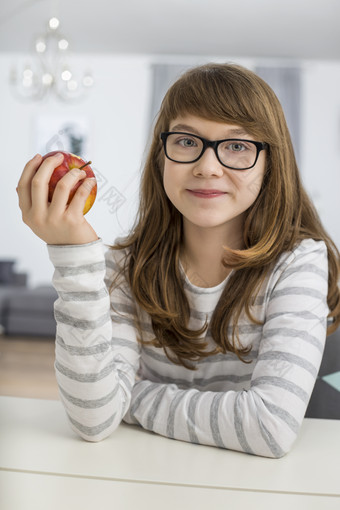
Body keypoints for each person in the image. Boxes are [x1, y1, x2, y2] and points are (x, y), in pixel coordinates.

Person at [17, 63, 340, 458]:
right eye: (187, 141)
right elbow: (94, 419)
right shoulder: (124, 266)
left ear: (271, 164)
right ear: (161, 156)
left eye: (237, 146)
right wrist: (73, 257)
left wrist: (130, 397)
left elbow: (269, 426)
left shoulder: (300, 261)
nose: (207, 167)